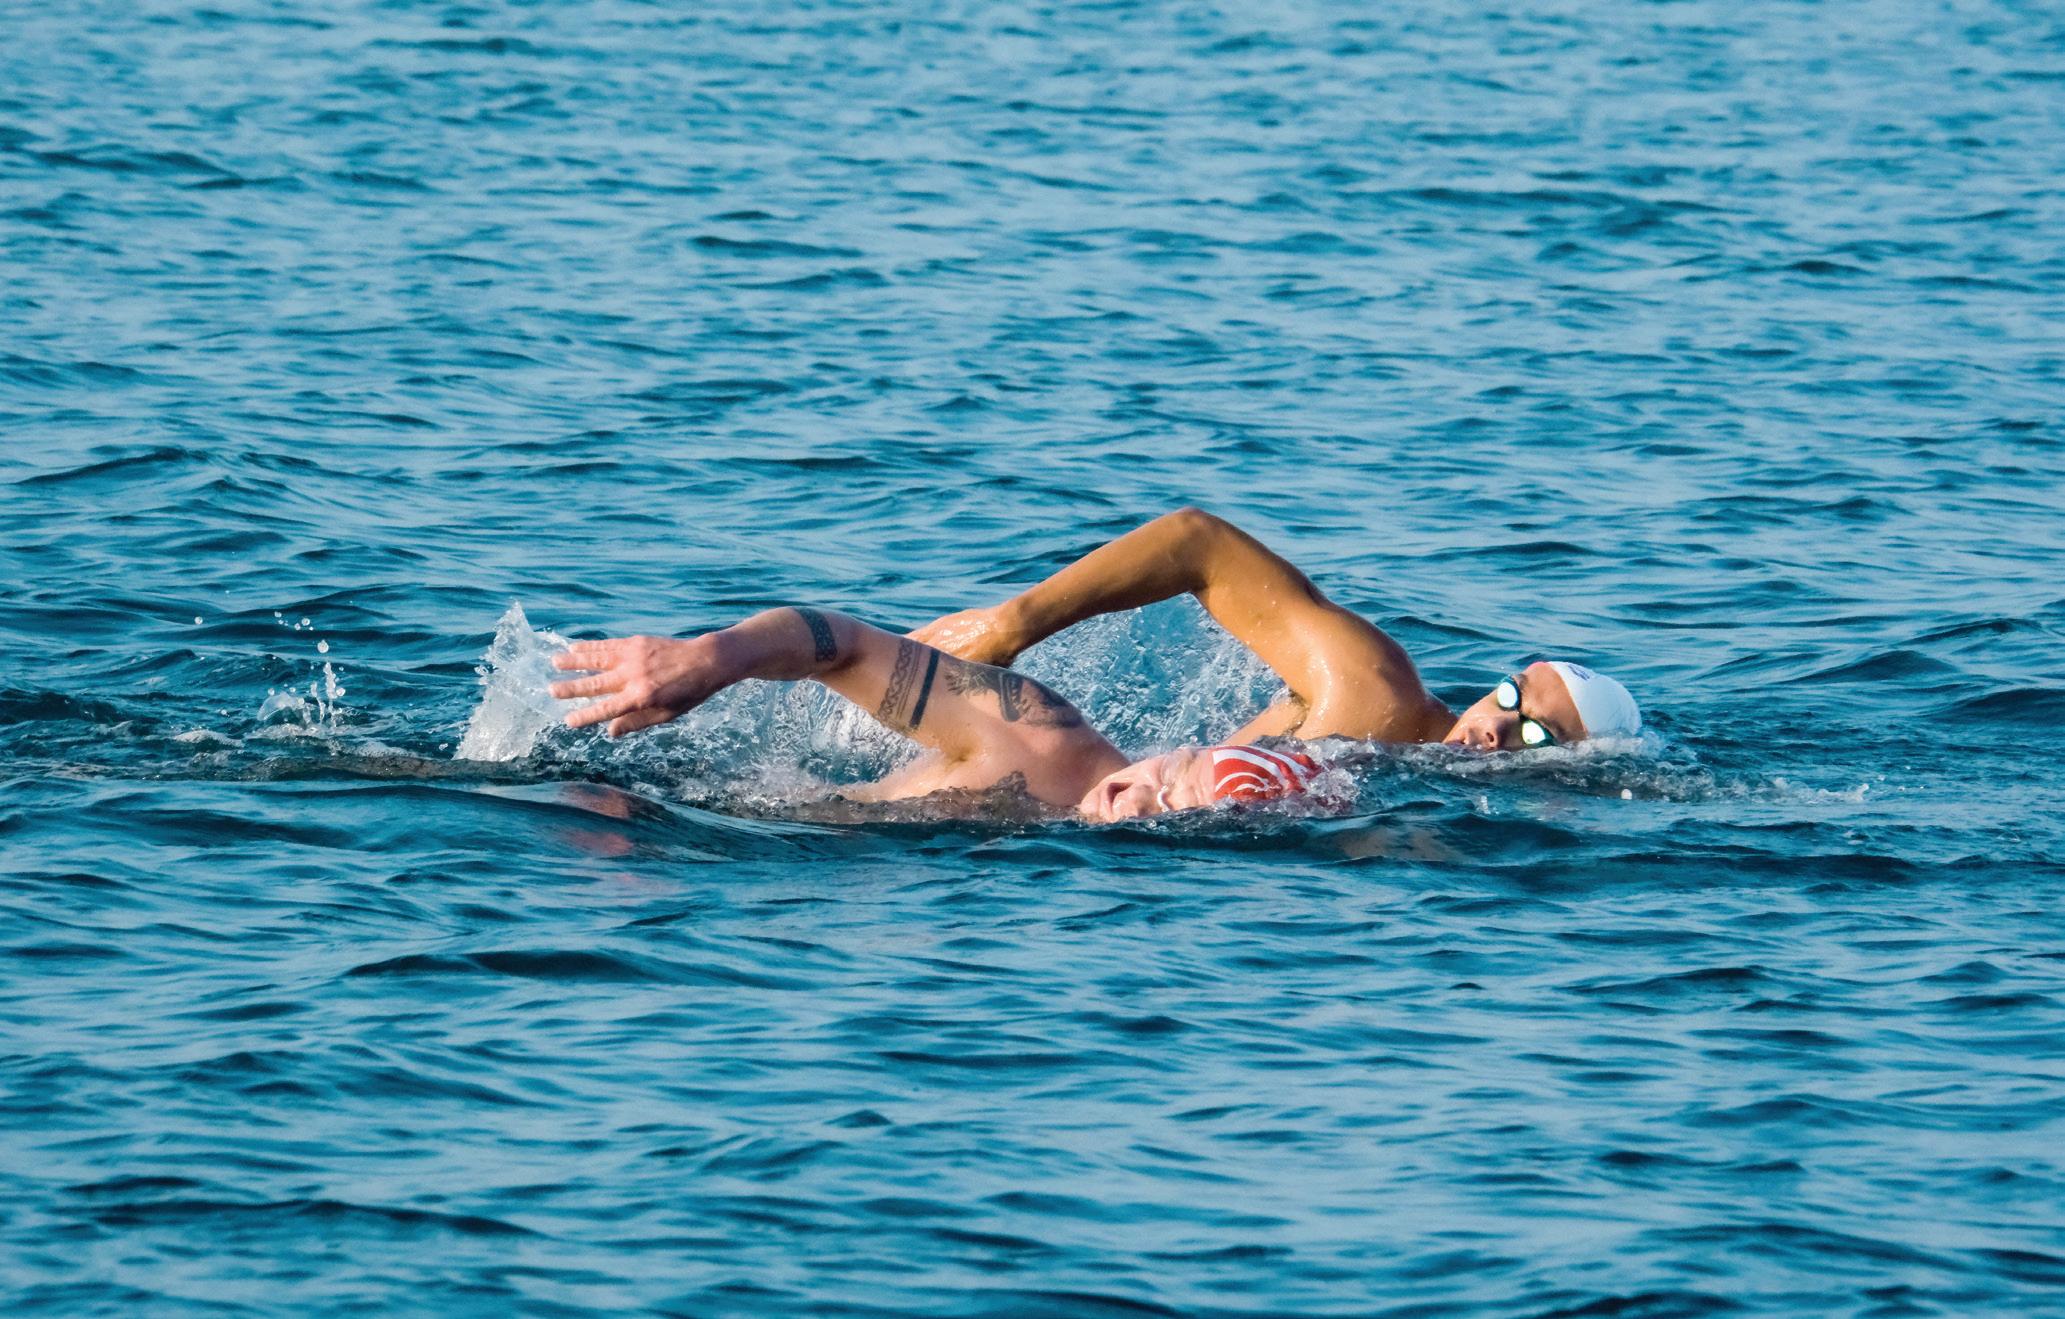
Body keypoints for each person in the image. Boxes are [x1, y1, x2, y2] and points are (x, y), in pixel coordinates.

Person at [548, 508, 1641, 822]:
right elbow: (1199, 541)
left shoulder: (1062, 787)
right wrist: (1016, 622)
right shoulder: (1374, 693)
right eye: (1510, 692)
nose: (1499, 725)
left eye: (1537, 732)